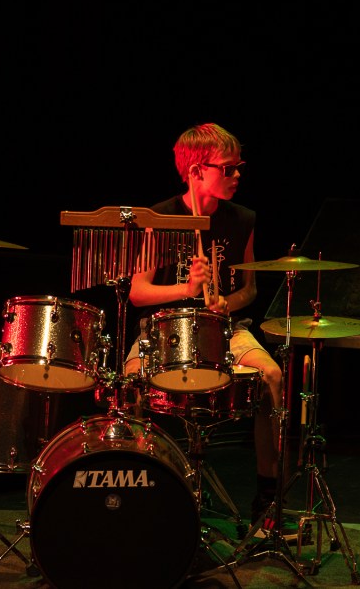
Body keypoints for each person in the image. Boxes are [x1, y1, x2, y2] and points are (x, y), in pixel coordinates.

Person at [123, 122, 286, 531]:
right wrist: (186, 289)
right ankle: (138, 492)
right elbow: (138, 292)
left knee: (272, 376)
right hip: (163, 330)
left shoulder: (242, 219)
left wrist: (225, 302)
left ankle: (267, 499)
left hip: (225, 327)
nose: (237, 175)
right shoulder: (161, 217)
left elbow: (249, 289)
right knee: (129, 383)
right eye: (228, 168)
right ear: (196, 170)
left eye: (239, 167)